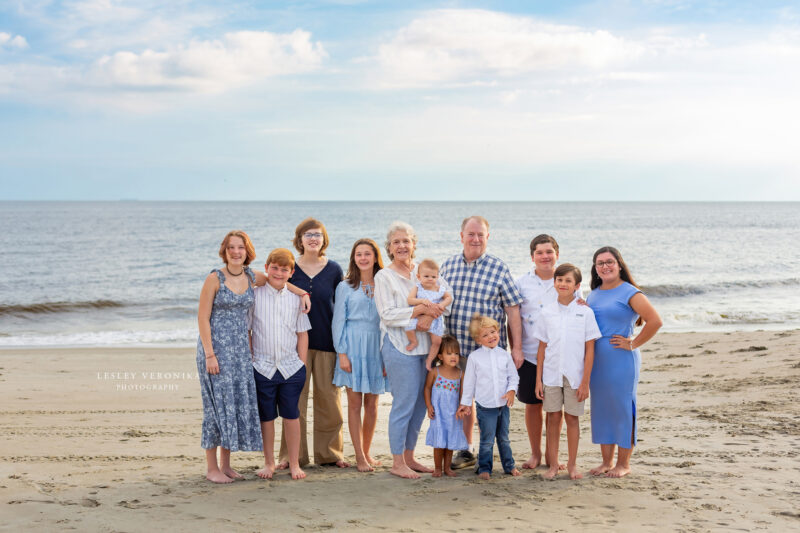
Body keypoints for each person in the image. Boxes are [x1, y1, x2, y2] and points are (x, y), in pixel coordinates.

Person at [441, 216, 523, 468]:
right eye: (471, 234)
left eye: (480, 235)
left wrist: (516, 347)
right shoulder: (448, 266)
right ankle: (464, 450)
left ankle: (490, 452)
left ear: (488, 237)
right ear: (461, 235)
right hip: (455, 351)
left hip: (487, 352)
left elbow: (512, 309)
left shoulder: (499, 268)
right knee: (459, 399)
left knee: (488, 402)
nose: (475, 239)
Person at [374, 221, 450, 479]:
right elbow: (387, 315)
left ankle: (409, 456)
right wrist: (418, 312)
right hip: (399, 347)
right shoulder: (384, 276)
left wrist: (432, 314)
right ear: (390, 247)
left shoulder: (425, 271)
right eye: (396, 242)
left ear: (414, 244)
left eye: (406, 241)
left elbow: (445, 300)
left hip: (427, 348)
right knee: (404, 403)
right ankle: (397, 462)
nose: (402, 246)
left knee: (420, 404)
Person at [279, 218, 348, 469]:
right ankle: (291, 457)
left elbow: (342, 306)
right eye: (307, 234)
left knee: (329, 401)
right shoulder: (289, 267)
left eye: (317, 234)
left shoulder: (334, 270)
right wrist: (300, 292)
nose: (313, 238)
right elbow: (272, 282)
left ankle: (330, 454)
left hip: (328, 343)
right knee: (293, 401)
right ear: (299, 240)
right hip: (293, 345)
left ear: (324, 239)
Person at [587, 246, 662, 478]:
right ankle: (606, 462)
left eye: (609, 262)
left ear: (619, 264)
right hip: (597, 361)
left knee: (621, 408)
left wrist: (633, 343)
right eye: (600, 263)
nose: (605, 266)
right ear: (595, 268)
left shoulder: (630, 292)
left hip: (621, 360)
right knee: (601, 409)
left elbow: (655, 321)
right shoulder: (593, 293)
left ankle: (624, 464)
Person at [196, 230, 263, 483]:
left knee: (232, 406)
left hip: (241, 352)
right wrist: (210, 354)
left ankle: (226, 465)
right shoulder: (215, 278)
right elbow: (202, 317)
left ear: (248, 252)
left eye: (241, 248)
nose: (236, 252)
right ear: (224, 251)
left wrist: (302, 294)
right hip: (216, 351)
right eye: (231, 248)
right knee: (215, 407)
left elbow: (279, 279)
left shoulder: (251, 276)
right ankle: (212, 468)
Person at [533, 264, 601, 480]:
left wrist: (585, 382)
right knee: (552, 418)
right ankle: (553, 466)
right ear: (554, 283)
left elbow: (590, 350)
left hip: (575, 375)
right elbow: (542, 348)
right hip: (551, 375)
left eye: (568, 281)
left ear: (577, 286)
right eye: (559, 280)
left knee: (572, 419)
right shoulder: (546, 312)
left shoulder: (585, 312)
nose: (563, 284)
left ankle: (572, 465)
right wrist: (538, 380)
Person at [249, 248, 312, 480]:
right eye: (274, 268)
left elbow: (302, 334)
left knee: (291, 416)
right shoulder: (255, 295)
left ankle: (294, 463)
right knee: (266, 418)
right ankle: (269, 463)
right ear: (267, 269)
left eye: (284, 269)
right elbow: (248, 330)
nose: (278, 272)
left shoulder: (296, 299)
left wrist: (302, 365)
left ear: (291, 272)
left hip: (290, 368)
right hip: (262, 367)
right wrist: (251, 359)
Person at [331, 238, 386, 472]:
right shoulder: (346, 286)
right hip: (352, 346)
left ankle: (366, 451)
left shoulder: (385, 283)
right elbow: (338, 322)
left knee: (372, 404)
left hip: (377, 346)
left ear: (375, 257)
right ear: (354, 258)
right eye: (359, 254)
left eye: (367, 254)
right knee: (354, 404)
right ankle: (360, 457)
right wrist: (341, 353)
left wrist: (387, 356)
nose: (363, 258)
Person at [457, 315, 521, 480]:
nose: (491, 337)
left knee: (504, 439)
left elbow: (513, 377)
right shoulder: (474, 358)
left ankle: (509, 466)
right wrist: (465, 403)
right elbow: (469, 383)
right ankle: (484, 468)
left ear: (498, 331)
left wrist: (512, 391)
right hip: (485, 407)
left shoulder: (504, 355)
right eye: (485, 335)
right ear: (478, 340)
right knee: (487, 440)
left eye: (493, 332)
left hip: (503, 405)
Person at [423, 335, 469, 477]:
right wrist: (429, 405)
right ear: (440, 356)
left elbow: (463, 394)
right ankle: (438, 468)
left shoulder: (460, 374)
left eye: (456, 353)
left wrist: (462, 407)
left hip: (453, 415)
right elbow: (427, 388)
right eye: (449, 353)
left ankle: (447, 468)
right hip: (438, 413)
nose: (453, 356)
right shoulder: (435, 372)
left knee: (450, 443)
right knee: (439, 442)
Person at [404, 258, 453, 370]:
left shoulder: (439, 289)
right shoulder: (418, 287)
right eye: (426, 276)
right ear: (419, 277)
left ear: (437, 277)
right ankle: (413, 341)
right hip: (419, 315)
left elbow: (449, 297)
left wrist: (443, 304)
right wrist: (421, 301)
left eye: (433, 277)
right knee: (408, 326)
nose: (430, 279)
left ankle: (429, 360)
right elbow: (410, 300)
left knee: (437, 341)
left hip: (435, 319)